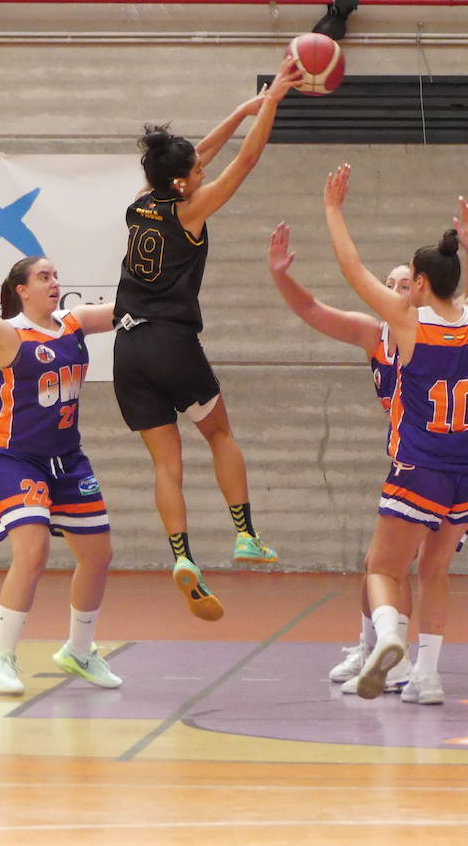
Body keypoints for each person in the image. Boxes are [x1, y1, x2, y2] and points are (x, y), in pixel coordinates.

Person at [112, 55, 304, 622]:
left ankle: (181, 557)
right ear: (183, 183)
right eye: (195, 173)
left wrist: (240, 109)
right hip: (171, 342)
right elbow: (243, 161)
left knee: (166, 466)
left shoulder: (140, 204)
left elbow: (201, 157)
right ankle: (245, 535)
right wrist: (269, 105)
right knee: (219, 434)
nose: (201, 173)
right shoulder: (191, 212)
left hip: (126, 351)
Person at [322, 165, 468, 703]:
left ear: (419, 283)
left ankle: (389, 640)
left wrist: (333, 209)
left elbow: (352, 270)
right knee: (437, 570)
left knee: (382, 566)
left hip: (421, 462)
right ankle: (428, 677)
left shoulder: (408, 322)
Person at [0, 237, 122, 696]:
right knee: (32, 550)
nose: (55, 283)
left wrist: (168, 236)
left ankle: (78, 651)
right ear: (22, 290)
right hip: (13, 458)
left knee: (98, 556)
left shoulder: (74, 324)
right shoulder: (6, 333)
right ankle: (2, 660)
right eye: (44, 277)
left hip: (68, 459)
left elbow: (133, 303)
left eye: (56, 276)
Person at [267, 222, 415, 693]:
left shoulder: (435, 335)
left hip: (439, 460)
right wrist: (281, 276)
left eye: (404, 284)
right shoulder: (376, 336)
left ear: (424, 293)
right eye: (388, 283)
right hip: (406, 460)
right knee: (378, 564)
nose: (392, 290)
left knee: (398, 568)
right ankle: (374, 649)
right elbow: (313, 309)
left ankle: (407, 663)